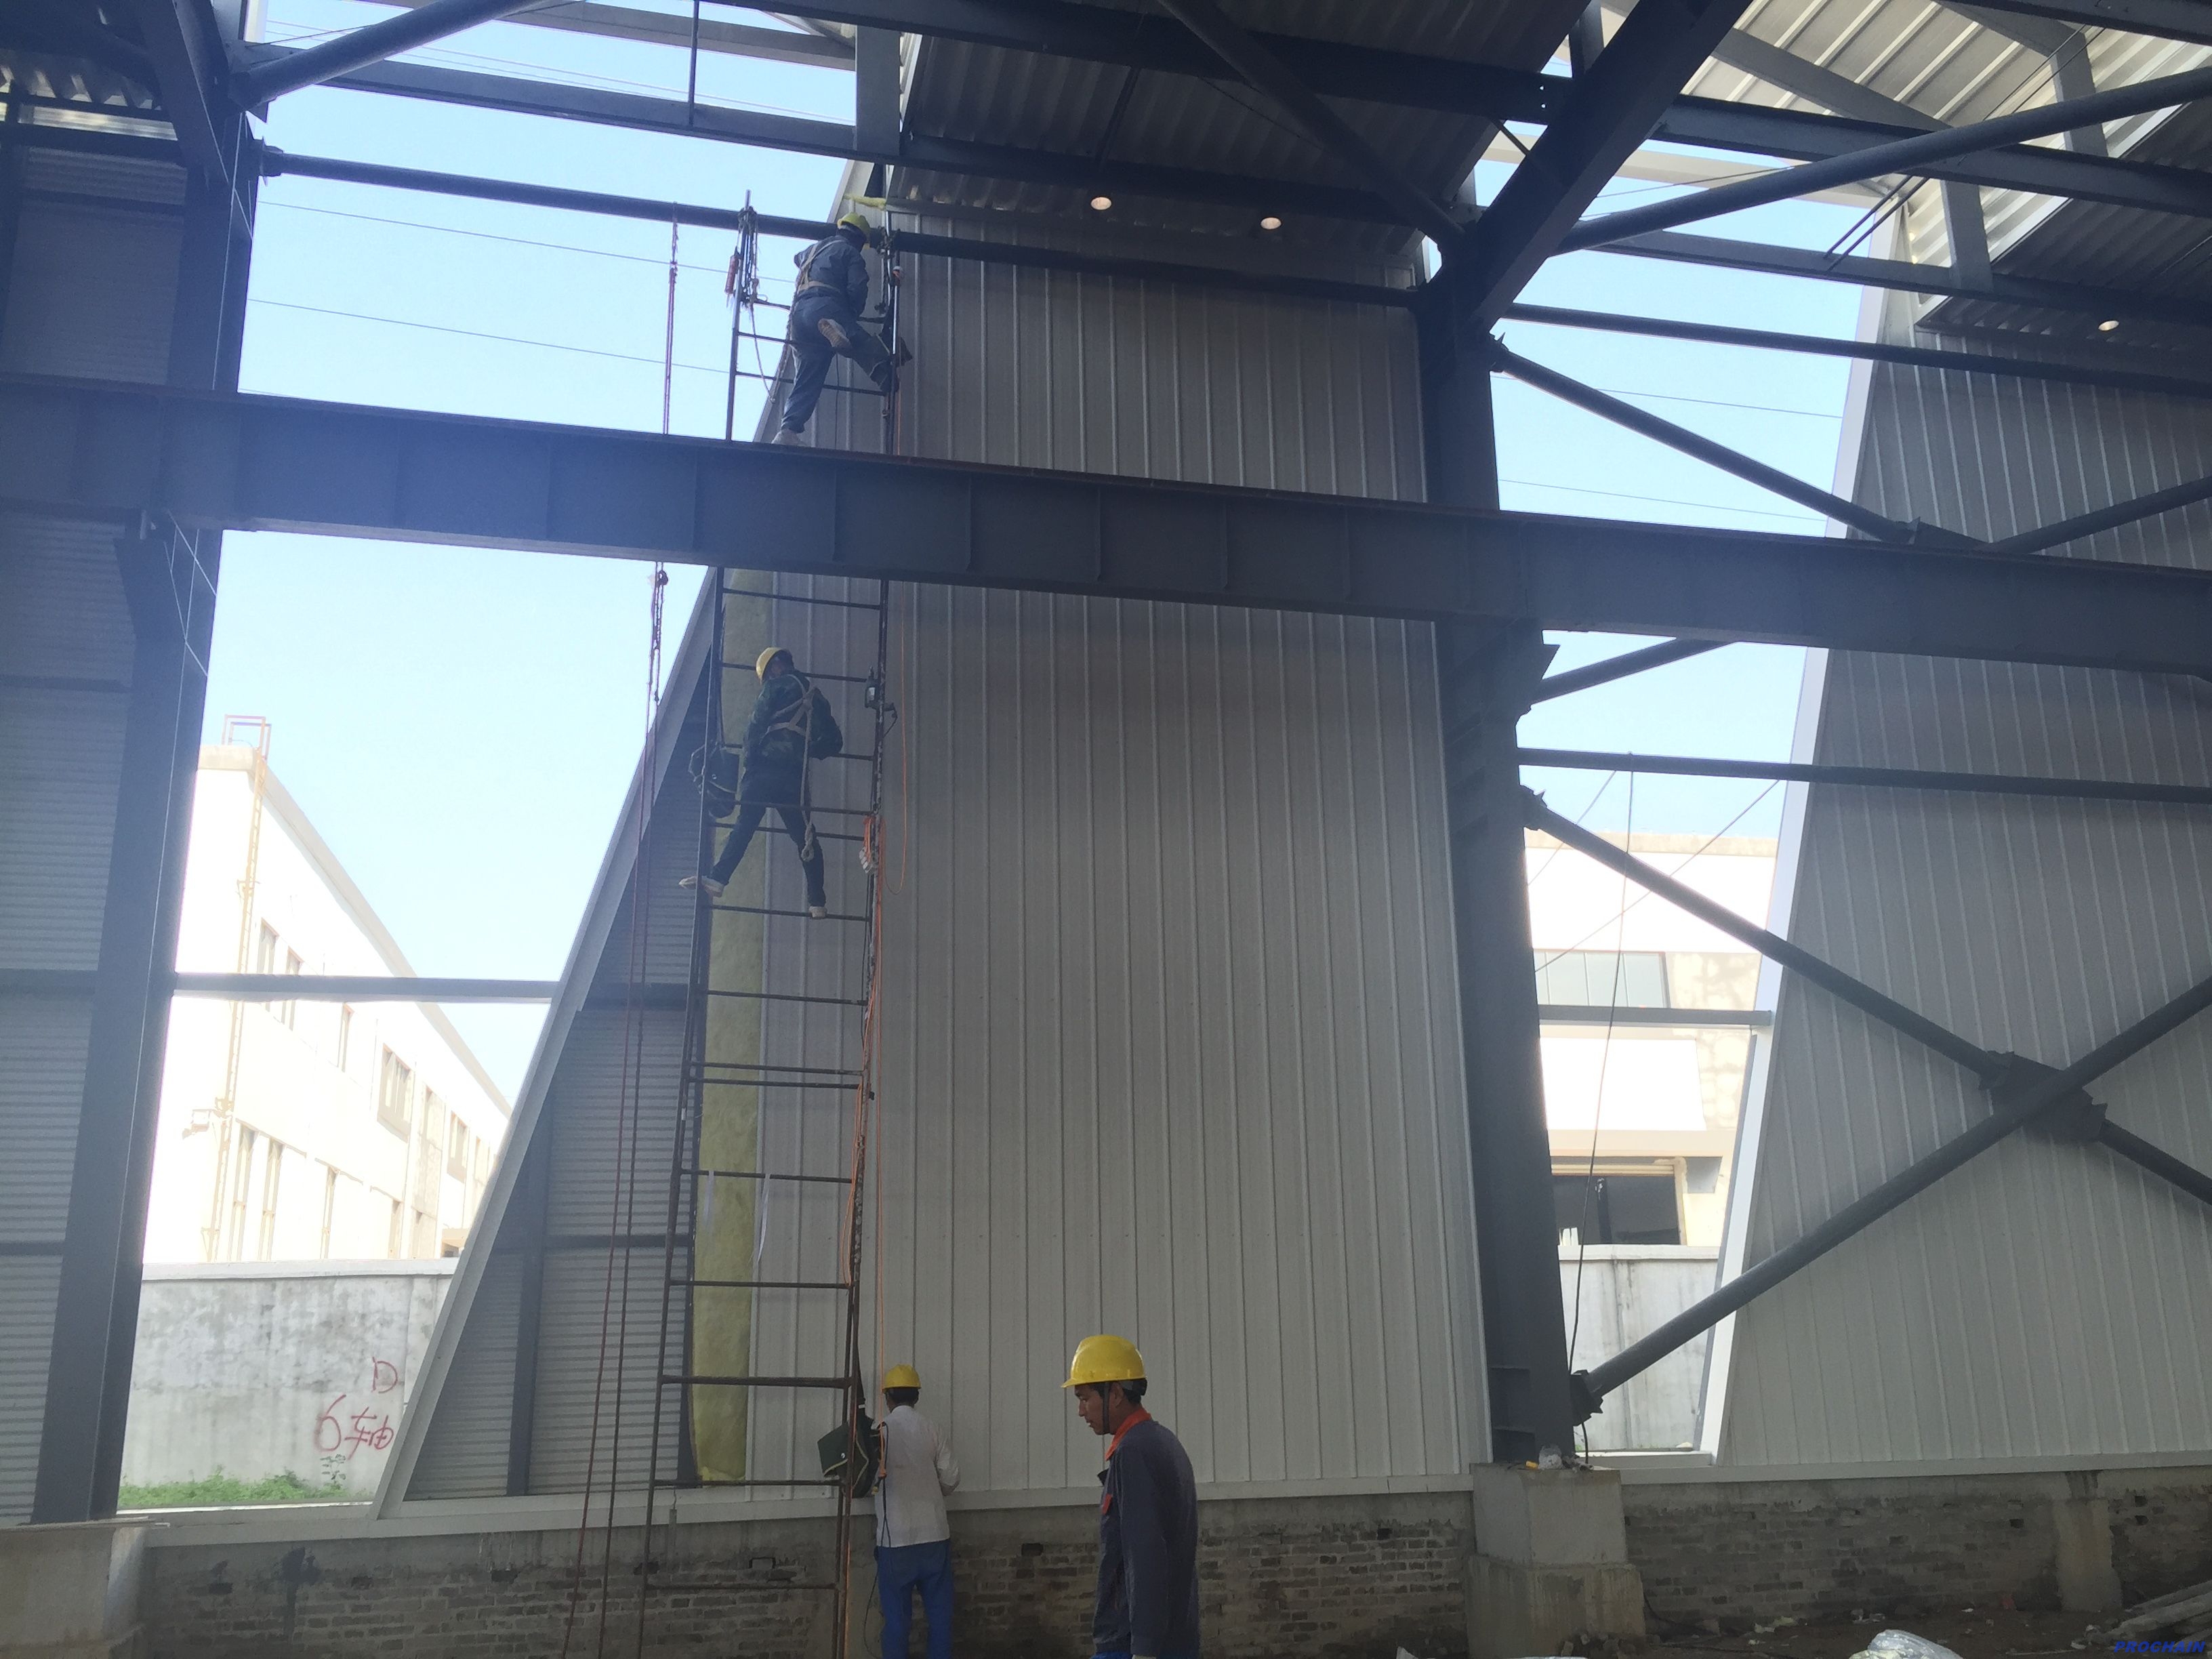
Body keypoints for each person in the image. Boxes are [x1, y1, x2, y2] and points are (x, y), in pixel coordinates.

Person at [1065, 1334, 1200, 1659]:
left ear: (1114, 1394)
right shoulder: (1162, 1442)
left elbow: (1145, 1555)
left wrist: (1144, 1649)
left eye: (1084, 1398)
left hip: (1132, 1644)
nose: (1081, 1411)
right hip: (1174, 1638)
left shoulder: (1134, 1453)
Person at [679, 646, 828, 914]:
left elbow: (755, 727)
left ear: (774, 667)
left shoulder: (775, 687)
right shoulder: (817, 698)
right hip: (793, 779)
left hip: (763, 772)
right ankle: (817, 902)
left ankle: (718, 878)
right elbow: (833, 742)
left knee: (744, 827)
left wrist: (748, 764)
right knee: (805, 840)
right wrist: (804, 748)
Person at [775, 211, 897, 443]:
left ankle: (787, 431)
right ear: (859, 239)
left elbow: (797, 258)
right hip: (825, 307)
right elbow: (857, 288)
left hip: (798, 317)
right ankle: (887, 377)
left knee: (808, 376)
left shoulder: (814, 249)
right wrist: (852, 314)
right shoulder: (850, 252)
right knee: (859, 339)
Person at [874, 1363, 961, 1659]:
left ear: (887, 1397)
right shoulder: (932, 1428)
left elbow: (863, 1480)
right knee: (940, 1620)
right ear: (917, 1397)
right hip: (934, 1537)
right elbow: (951, 1479)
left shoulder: (879, 1432)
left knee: (897, 1623)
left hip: (895, 1541)